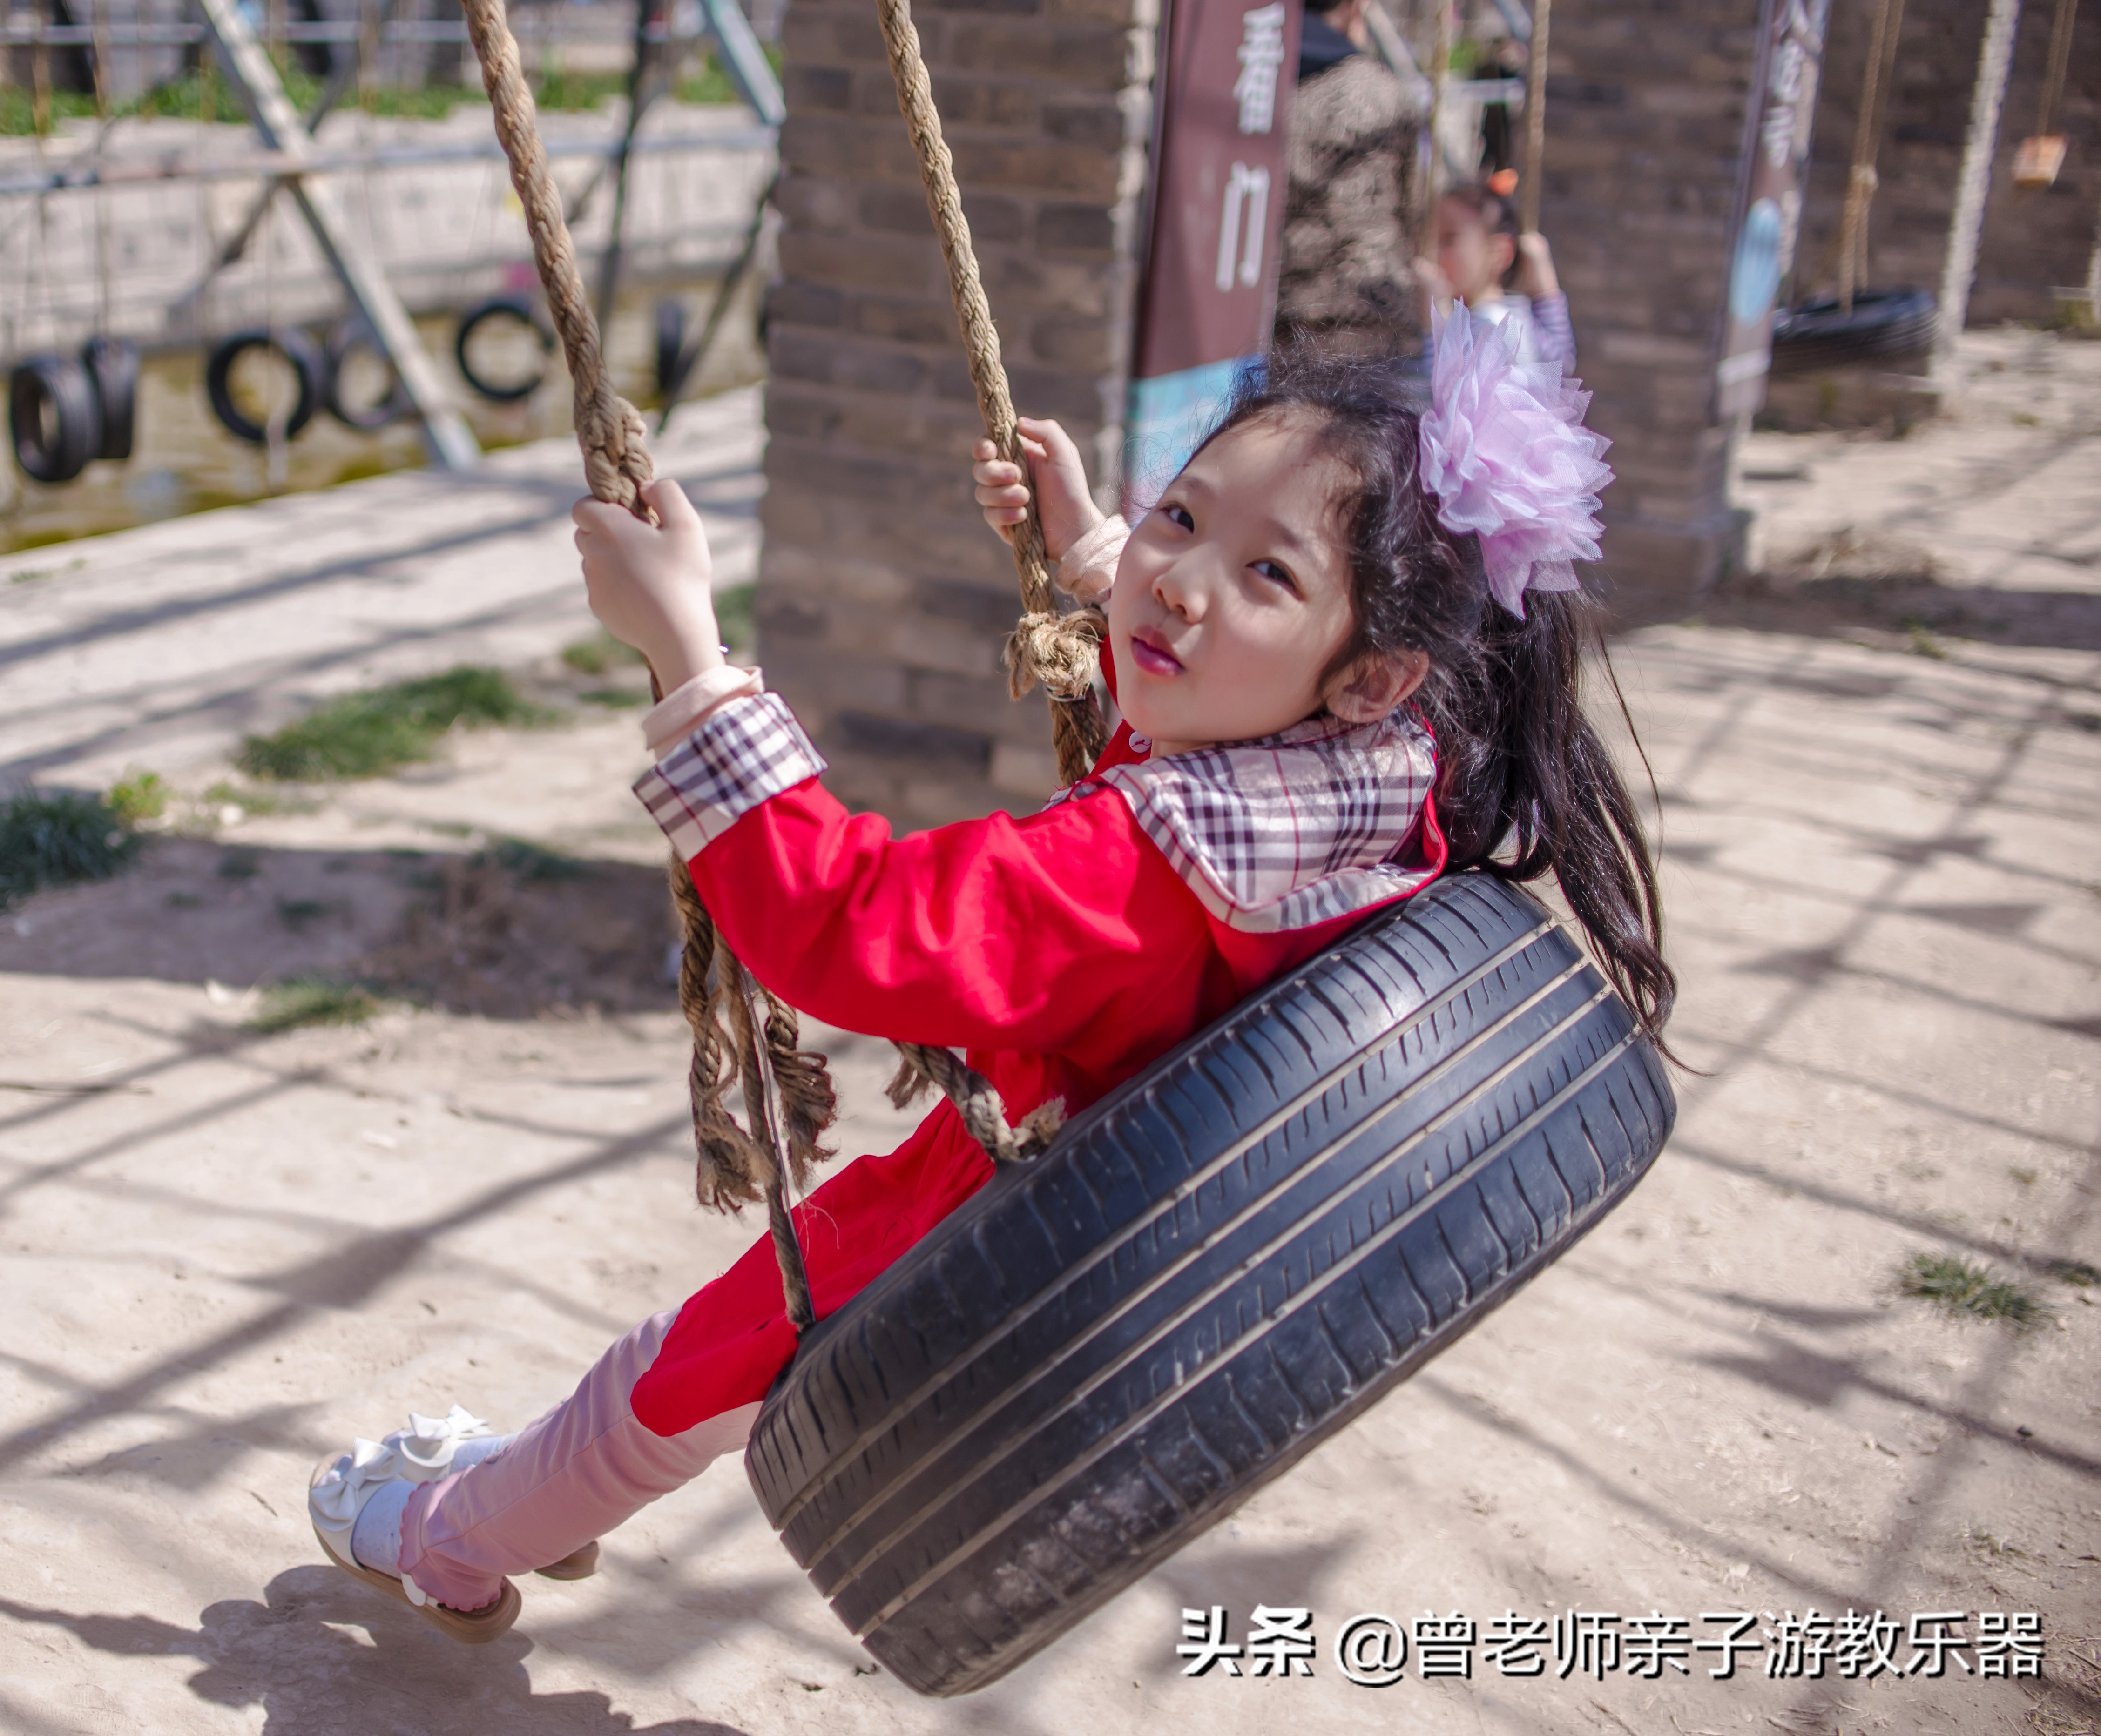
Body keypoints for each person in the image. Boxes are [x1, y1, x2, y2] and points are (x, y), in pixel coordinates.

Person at [307, 315, 1674, 1642]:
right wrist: (1097, 552)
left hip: (1018, 1225)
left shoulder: (1142, 866)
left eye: (1269, 576)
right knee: (695, 1371)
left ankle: (454, 1544)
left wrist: (685, 652)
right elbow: (1199, 652)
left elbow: (850, 922)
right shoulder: (1369, 779)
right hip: (1128, 1163)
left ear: (1372, 674)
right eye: (1182, 517)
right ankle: (525, 1498)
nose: (1182, 583)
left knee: (687, 1369)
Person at [1277, 0, 1423, 356]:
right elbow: (1412, 210)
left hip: (1275, 324)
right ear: (1356, 8)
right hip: (1371, 319)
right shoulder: (1386, 94)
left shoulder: (1255, 85)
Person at [1421, 178, 1578, 374]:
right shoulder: (1520, 318)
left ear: (1499, 253)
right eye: (1430, 240)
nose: (1432, 254)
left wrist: (1434, 325)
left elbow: (1446, 395)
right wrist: (1546, 293)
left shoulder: (1489, 327)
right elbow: (1563, 361)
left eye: (1449, 240)